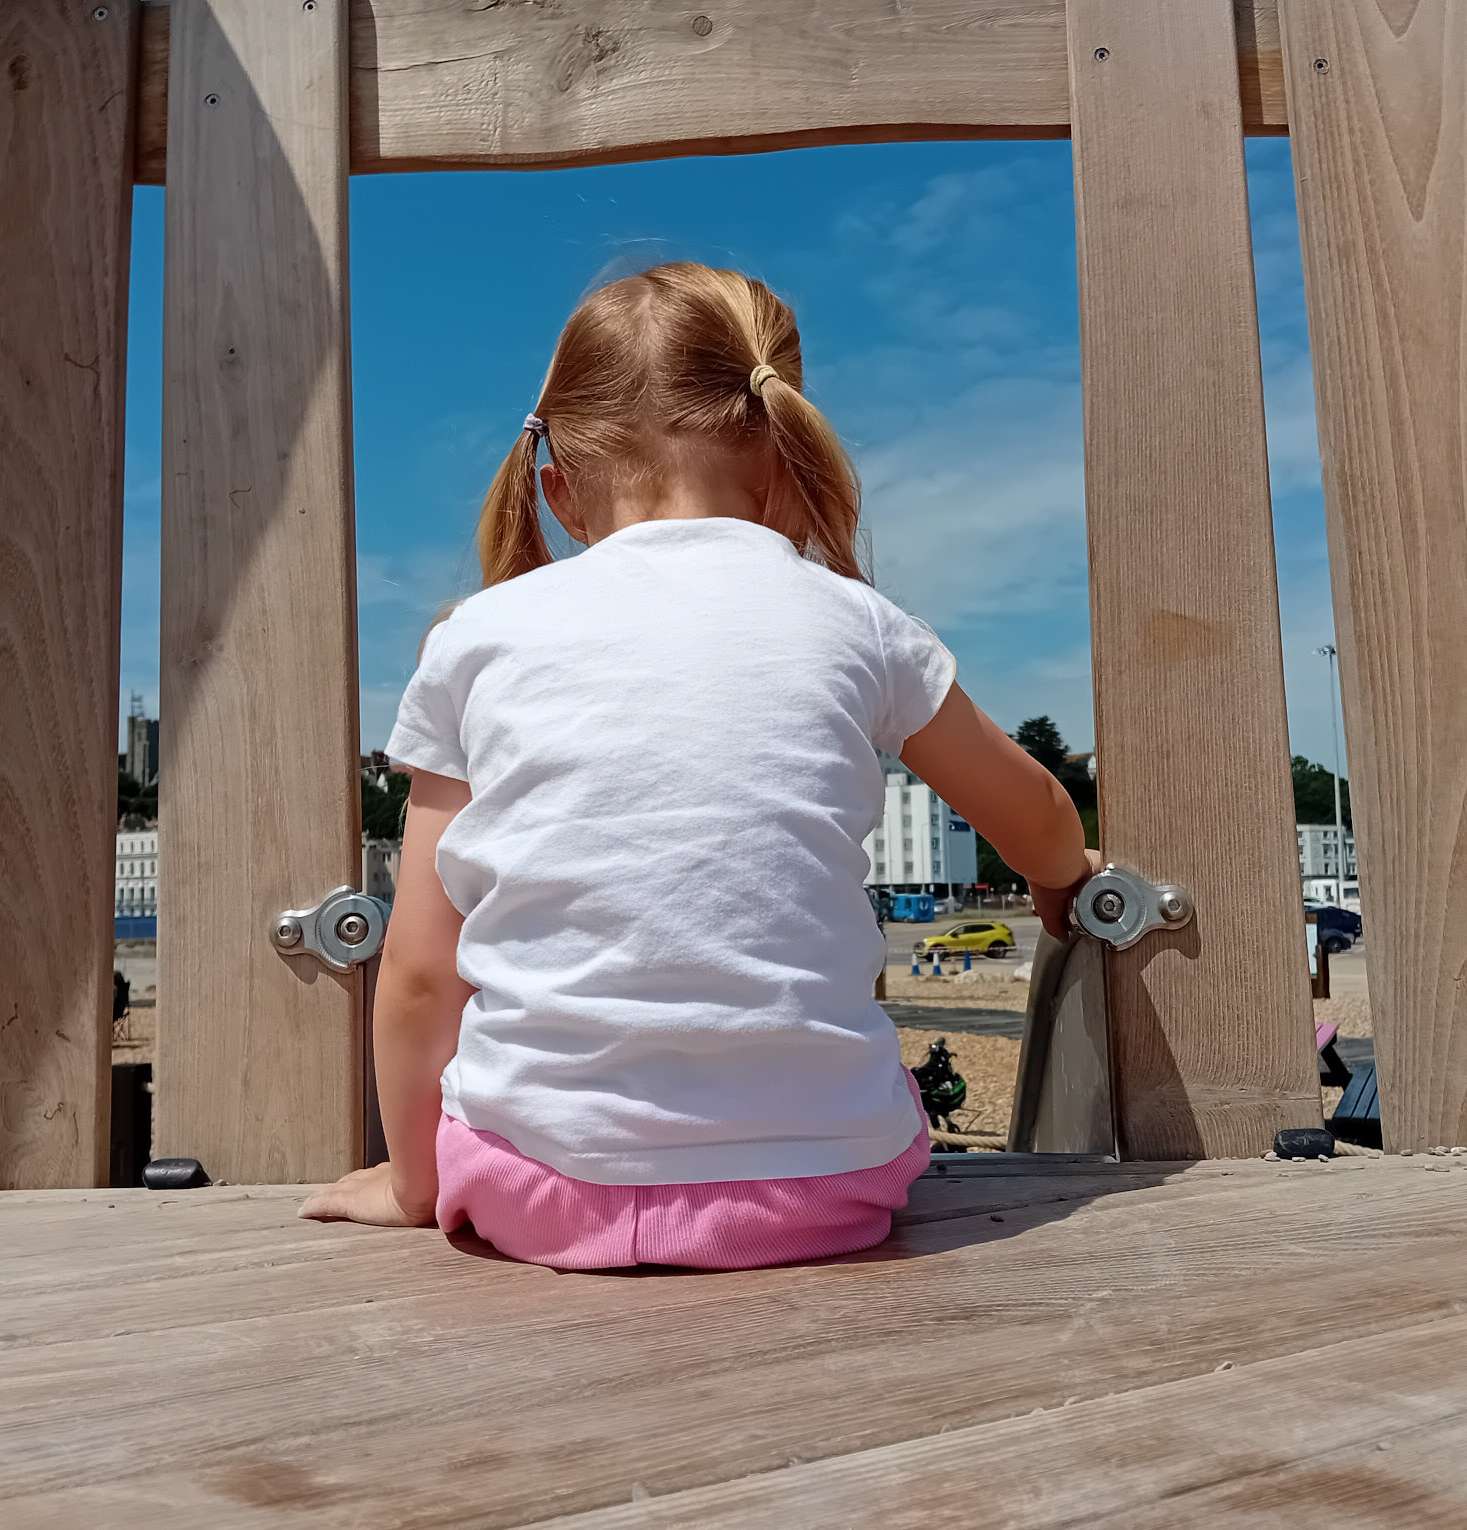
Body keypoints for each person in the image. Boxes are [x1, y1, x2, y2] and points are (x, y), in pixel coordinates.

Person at [301, 263, 1097, 1269]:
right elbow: (1031, 812)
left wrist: (415, 1183)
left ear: (556, 486)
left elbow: (420, 974)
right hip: (822, 1185)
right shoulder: (859, 623)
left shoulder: (477, 638)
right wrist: (1060, 875)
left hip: (537, 1190)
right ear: (788, 449)